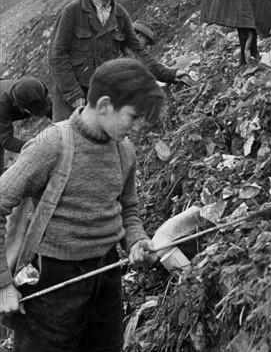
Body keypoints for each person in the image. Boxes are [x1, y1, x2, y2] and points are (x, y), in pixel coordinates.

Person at [0, 58, 164, 352]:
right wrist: (3, 284)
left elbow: (127, 209)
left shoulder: (124, 150)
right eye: (134, 117)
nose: (138, 127)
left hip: (108, 276)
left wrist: (136, 241)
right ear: (104, 106)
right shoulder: (52, 145)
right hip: (52, 283)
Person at [48, 0, 188, 122]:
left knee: (101, 143)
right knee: (68, 143)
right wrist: (73, 93)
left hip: (103, 95)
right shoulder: (72, 12)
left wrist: (168, 74)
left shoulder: (120, 15)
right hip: (71, 98)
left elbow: (137, 52)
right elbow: (57, 56)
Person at [0, 77, 52, 174]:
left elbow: (51, 110)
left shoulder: (32, 88)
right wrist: (35, 147)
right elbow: (6, 140)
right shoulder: (3, 105)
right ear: (22, 108)